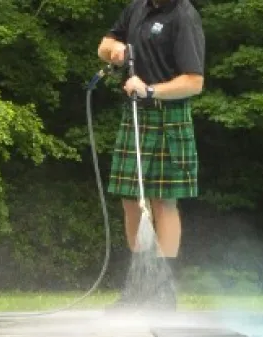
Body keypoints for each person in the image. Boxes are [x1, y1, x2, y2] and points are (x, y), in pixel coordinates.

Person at [96, 0, 205, 311]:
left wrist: (151, 90)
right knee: (130, 199)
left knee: (162, 200)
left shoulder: (184, 16)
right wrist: (115, 50)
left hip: (167, 114)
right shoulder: (138, 8)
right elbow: (105, 44)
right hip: (136, 115)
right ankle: (139, 287)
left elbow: (194, 82)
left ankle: (163, 292)